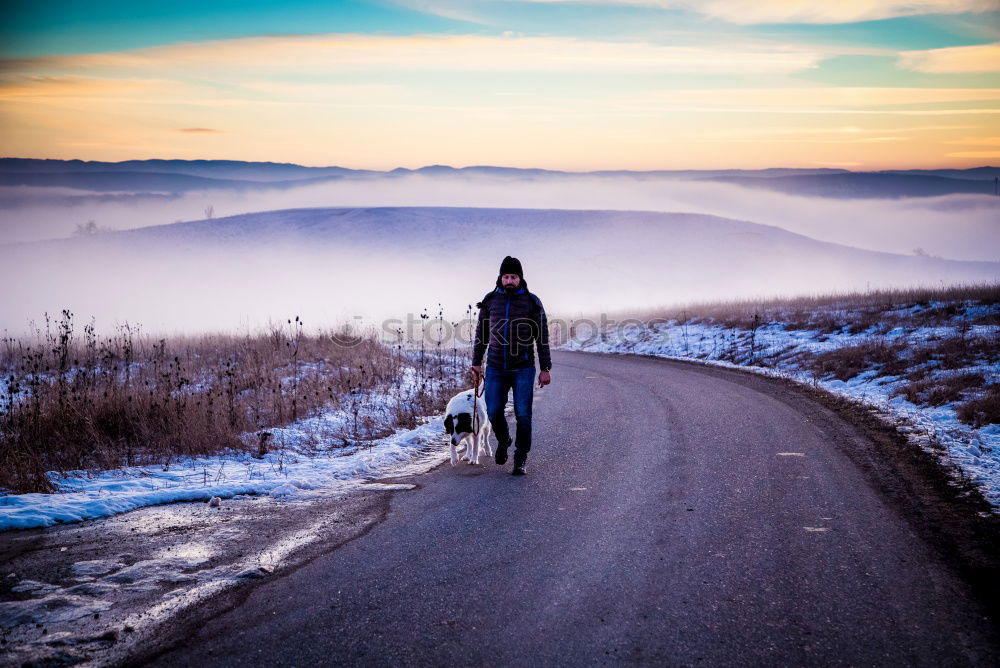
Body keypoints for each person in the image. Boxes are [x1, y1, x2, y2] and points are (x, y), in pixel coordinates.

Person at [470, 256, 551, 475]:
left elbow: (541, 337)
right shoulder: (490, 301)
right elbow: (481, 335)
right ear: (500, 277)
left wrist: (545, 368)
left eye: (513, 277)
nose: (509, 280)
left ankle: (520, 458)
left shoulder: (532, 302)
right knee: (494, 410)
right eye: (506, 276)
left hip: (523, 367)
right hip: (496, 366)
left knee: (523, 414)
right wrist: (476, 363)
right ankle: (504, 439)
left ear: (520, 278)